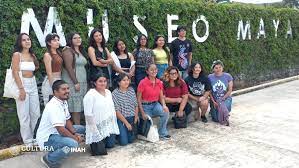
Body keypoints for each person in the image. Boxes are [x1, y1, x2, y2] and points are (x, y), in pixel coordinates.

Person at [36, 80, 85, 168]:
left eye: (68, 88)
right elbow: (61, 129)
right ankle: (49, 159)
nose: (67, 91)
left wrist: (74, 133)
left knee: (81, 129)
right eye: (63, 89)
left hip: (57, 133)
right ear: (55, 92)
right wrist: (76, 138)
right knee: (73, 144)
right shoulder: (53, 106)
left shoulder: (63, 101)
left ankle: (60, 149)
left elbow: (67, 121)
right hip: (47, 139)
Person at [11, 33, 40, 146]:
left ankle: (32, 136)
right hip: (22, 85)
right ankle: (27, 141)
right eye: (24, 40)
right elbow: (15, 72)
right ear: (20, 42)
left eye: (28, 39)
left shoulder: (32, 55)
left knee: (35, 113)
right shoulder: (17, 55)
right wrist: (21, 89)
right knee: (24, 115)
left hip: (32, 84)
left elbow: (36, 66)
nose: (27, 41)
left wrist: (33, 66)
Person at [83, 73, 119, 151]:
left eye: (105, 81)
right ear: (95, 83)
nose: (103, 83)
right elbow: (88, 115)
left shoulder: (108, 92)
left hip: (108, 125)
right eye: (100, 81)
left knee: (110, 145)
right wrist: (94, 132)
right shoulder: (90, 95)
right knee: (99, 149)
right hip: (97, 128)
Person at [137, 64, 170, 140]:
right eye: (151, 70)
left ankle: (162, 132)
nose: (154, 71)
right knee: (147, 128)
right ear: (147, 71)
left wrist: (164, 105)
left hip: (155, 104)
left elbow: (161, 96)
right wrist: (142, 112)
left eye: (155, 69)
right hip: (145, 106)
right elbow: (138, 99)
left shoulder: (159, 82)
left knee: (165, 112)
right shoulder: (143, 82)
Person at [61, 33, 88, 125]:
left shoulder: (81, 50)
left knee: (80, 105)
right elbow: (68, 67)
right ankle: (77, 128)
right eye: (75, 38)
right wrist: (75, 82)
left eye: (79, 37)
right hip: (72, 81)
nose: (78, 39)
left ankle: (79, 127)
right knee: (75, 107)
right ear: (70, 40)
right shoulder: (67, 50)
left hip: (82, 81)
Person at [112, 74, 138, 146]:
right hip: (122, 119)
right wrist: (126, 123)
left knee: (131, 140)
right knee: (124, 142)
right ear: (119, 82)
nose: (126, 82)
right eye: (124, 80)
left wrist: (136, 117)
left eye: (127, 80)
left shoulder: (131, 90)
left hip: (132, 117)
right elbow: (117, 111)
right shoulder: (114, 93)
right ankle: (118, 135)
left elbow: (136, 105)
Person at [208, 60, 233, 125]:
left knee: (222, 106)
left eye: (220, 67)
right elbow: (209, 91)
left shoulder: (228, 76)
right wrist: (213, 101)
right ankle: (213, 111)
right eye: (216, 68)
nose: (218, 69)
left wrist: (222, 99)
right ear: (213, 69)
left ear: (222, 67)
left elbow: (230, 90)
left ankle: (225, 116)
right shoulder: (210, 77)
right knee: (216, 119)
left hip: (225, 98)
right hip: (215, 99)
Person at [42, 33, 63, 105]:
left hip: (59, 79)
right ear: (49, 43)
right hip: (51, 81)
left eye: (58, 40)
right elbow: (49, 72)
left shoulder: (59, 53)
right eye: (54, 40)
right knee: (50, 104)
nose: (57, 42)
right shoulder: (47, 55)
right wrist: (53, 87)